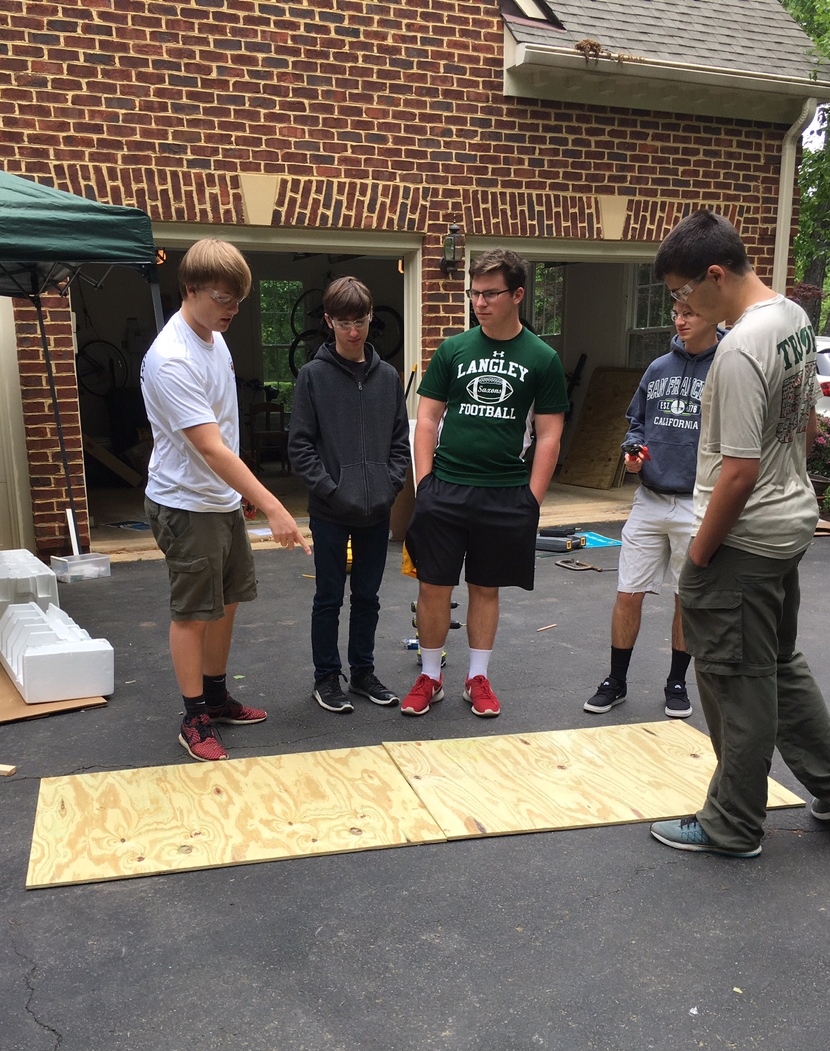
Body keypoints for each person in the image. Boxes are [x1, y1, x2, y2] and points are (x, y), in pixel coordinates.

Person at [648, 209, 830, 856]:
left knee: (736, 681)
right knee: (778, 667)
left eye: (683, 292)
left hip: (742, 540)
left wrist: (699, 555)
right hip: (786, 521)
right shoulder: (791, 318)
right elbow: (798, 427)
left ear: (714, 274)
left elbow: (737, 473)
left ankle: (733, 823)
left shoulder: (737, 352)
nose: (682, 304)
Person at [141, 238, 310, 763]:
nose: (233, 310)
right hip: (186, 503)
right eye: (223, 299)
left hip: (218, 499)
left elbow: (224, 432)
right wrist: (275, 504)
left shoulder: (214, 336)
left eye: (239, 300)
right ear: (189, 290)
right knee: (194, 611)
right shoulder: (171, 359)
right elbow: (210, 447)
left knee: (228, 599)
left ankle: (215, 695)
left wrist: (240, 495)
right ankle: (193, 715)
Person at [401, 248, 568, 717]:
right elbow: (427, 418)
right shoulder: (453, 349)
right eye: (474, 292)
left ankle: (478, 677)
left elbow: (550, 433)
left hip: (504, 493)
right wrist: (424, 484)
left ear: (517, 294)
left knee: (485, 587)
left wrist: (531, 500)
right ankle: (430, 676)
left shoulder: (543, 358)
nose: (480, 301)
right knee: (433, 586)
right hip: (446, 489)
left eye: (490, 293)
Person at [584, 304, 722, 719]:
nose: (680, 320)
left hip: (698, 503)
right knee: (628, 592)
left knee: (687, 598)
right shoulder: (658, 368)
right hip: (649, 499)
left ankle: (677, 683)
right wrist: (633, 453)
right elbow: (636, 424)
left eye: (691, 313)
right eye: (677, 312)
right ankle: (616, 681)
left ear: (713, 315)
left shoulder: (727, 369)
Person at [288, 276, 410, 712]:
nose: (353, 332)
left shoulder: (388, 377)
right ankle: (326, 678)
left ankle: (362, 672)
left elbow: (400, 442)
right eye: (343, 323)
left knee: (368, 597)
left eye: (359, 321)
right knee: (328, 597)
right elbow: (299, 446)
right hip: (330, 511)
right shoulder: (312, 377)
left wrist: (390, 485)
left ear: (371, 317)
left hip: (376, 510)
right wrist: (331, 490)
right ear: (328, 322)